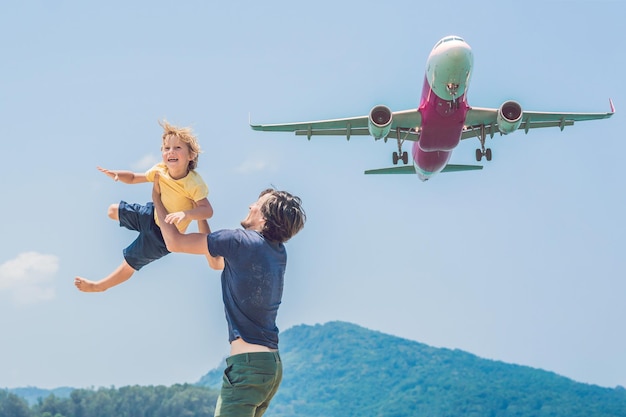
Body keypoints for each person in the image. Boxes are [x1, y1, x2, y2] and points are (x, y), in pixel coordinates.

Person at [151, 174, 305, 417]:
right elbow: (216, 262)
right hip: (269, 368)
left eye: (257, 203)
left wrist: (157, 199)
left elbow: (175, 242)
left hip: (248, 367)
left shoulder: (238, 241)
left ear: (264, 216)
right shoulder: (276, 252)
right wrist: (199, 215)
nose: (251, 206)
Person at [74, 120, 213, 292]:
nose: (171, 152)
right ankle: (134, 227)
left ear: (191, 156)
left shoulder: (194, 183)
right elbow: (133, 177)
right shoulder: (160, 170)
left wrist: (186, 214)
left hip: (161, 237)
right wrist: (117, 175)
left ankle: (99, 286)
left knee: (128, 264)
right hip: (150, 214)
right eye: (166, 148)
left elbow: (207, 211)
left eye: (177, 148)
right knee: (111, 210)